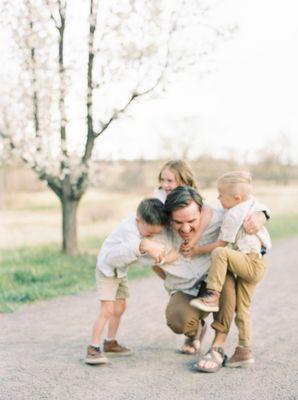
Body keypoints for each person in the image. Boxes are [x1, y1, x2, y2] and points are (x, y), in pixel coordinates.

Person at [154, 186, 268, 373]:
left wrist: (262, 215)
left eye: (192, 221)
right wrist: (170, 281)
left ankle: (217, 347)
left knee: (227, 276)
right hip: (187, 288)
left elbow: (247, 202)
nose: (185, 228)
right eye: (178, 222)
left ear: (202, 211)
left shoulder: (219, 217)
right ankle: (195, 331)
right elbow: (138, 235)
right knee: (177, 320)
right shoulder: (162, 228)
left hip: (216, 282)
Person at [189, 171, 271, 368]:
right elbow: (262, 207)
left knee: (220, 253)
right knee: (242, 310)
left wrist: (197, 249)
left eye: (220, 194)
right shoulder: (251, 203)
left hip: (250, 263)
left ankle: (213, 294)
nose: (218, 198)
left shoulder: (234, 214)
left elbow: (221, 243)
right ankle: (244, 351)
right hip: (257, 261)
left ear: (236, 198)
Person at [84, 198, 168, 365]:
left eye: (154, 234)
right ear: (138, 221)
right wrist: (147, 245)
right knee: (107, 310)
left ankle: (110, 342)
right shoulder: (128, 231)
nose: (150, 237)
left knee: (120, 307)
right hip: (107, 270)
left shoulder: (141, 227)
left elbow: (140, 255)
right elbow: (133, 249)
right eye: (149, 233)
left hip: (119, 271)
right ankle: (93, 348)